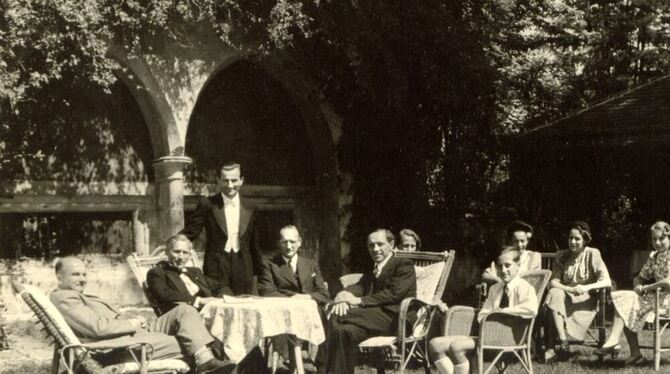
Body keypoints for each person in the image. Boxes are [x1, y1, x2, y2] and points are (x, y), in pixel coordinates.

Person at [50, 257, 234, 373]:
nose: (82, 279)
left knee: (184, 310)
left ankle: (205, 360)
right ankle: (206, 361)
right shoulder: (65, 299)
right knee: (191, 341)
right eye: (75, 275)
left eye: (83, 274)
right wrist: (132, 323)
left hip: (127, 335)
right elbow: (97, 328)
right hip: (114, 347)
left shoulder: (74, 296)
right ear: (59, 276)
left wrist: (133, 324)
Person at [429, 247, 539, 374]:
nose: (503, 270)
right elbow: (482, 313)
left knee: (456, 346)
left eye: (508, 265)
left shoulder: (524, 287)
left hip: (510, 337)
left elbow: (531, 309)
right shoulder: (495, 289)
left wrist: (502, 312)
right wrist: (491, 315)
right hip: (487, 334)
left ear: (518, 265)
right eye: (499, 266)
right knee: (435, 345)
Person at [324, 229, 416, 374]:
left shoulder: (403, 264)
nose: (375, 249)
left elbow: (394, 294)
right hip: (374, 318)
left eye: (380, 244)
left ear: (391, 245)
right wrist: (343, 295)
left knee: (335, 314)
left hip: (397, 318)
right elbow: (360, 286)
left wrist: (358, 301)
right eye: (371, 246)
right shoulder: (373, 267)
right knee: (344, 331)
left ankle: (321, 364)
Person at [181, 162, 262, 295]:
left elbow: (255, 243)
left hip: (244, 265)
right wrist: (171, 246)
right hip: (216, 265)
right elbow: (190, 232)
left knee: (244, 303)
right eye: (225, 180)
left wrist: (260, 271)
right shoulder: (207, 204)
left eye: (234, 180)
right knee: (218, 305)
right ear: (218, 181)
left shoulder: (251, 206)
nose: (230, 185)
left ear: (241, 180)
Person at [596, 221, 670, 365]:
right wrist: (638, 283)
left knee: (627, 303)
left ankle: (614, 341)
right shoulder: (654, 256)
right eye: (654, 239)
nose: (658, 242)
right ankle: (632, 352)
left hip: (666, 300)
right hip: (654, 298)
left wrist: (646, 288)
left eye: (661, 239)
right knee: (624, 300)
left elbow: (668, 282)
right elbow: (640, 276)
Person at [544, 221, 611, 361]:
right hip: (565, 298)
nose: (572, 242)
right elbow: (553, 282)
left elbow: (606, 281)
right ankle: (563, 339)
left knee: (553, 299)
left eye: (577, 239)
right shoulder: (561, 255)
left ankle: (554, 347)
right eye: (570, 238)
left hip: (585, 300)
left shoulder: (593, 254)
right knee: (554, 293)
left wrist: (586, 287)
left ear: (585, 240)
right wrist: (568, 288)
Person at [147, 234, 227, 314]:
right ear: (167, 252)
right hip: (181, 314)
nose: (181, 257)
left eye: (185, 253)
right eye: (177, 252)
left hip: (207, 313)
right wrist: (198, 300)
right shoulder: (157, 273)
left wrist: (225, 299)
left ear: (189, 255)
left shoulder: (195, 272)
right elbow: (163, 294)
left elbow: (219, 286)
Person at [258, 225, 329, 304]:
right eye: (284, 242)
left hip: (310, 308)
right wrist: (293, 300)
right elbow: (267, 292)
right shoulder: (269, 265)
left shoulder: (312, 265)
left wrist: (306, 297)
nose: (288, 246)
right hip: (284, 308)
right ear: (278, 243)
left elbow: (324, 294)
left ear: (299, 242)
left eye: (292, 242)